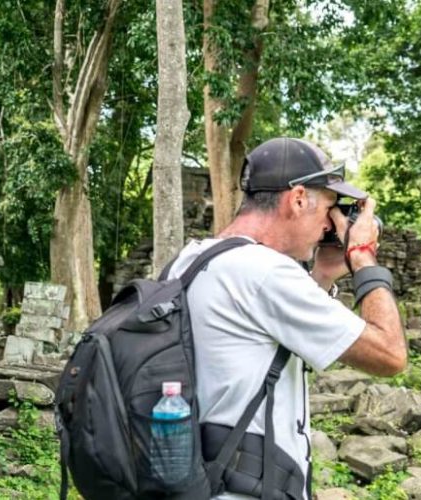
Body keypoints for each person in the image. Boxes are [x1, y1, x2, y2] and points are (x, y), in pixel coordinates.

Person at [164, 137, 407, 500]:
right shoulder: (266, 272)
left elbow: (262, 334)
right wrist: (361, 256)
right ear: (297, 199)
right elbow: (390, 355)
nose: (331, 225)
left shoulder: (194, 258)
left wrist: (323, 276)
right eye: (329, 207)